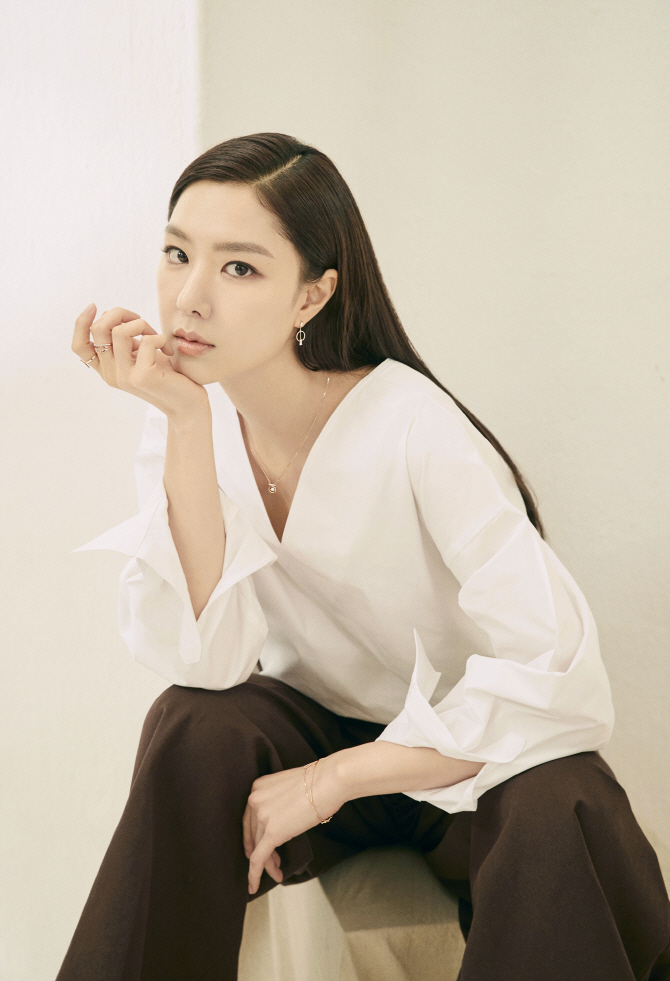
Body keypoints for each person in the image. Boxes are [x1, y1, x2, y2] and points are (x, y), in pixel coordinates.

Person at [60, 132, 669, 981]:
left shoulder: (414, 427)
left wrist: (332, 780)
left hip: (468, 758)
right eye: (177, 254)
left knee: (556, 797)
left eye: (239, 267)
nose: (190, 298)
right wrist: (186, 424)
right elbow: (209, 662)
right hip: (316, 729)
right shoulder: (184, 419)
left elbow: (561, 677)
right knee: (192, 724)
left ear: (314, 293)